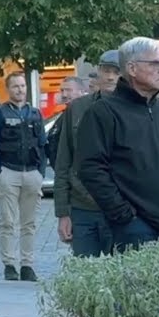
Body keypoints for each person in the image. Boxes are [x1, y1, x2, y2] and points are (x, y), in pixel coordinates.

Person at [78, 37, 159, 250]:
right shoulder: (103, 112)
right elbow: (91, 168)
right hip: (134, 228)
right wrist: (123, 215)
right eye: (155, 63)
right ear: (131, 68)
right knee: (139, 284)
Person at [0, 71, 46, 281]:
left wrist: (40, 172)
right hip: (9, 171)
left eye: (22, 86)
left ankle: (27, 265)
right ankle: (9, 264)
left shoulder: (35, 113)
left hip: (32, 173)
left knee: (29, 223)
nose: (20, 90)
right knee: (7, 222)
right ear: (8, 89)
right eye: (16, 86)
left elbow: (43, 145)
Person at [53, 51, 119, 257]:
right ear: (97, 73)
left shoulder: (132, 109)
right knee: (84, 273)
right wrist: (63, 213)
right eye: (106, 71)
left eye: (116, 72)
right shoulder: (78, 108)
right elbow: (63, 161)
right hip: (82, 207)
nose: (110, 77)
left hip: (120, 207)